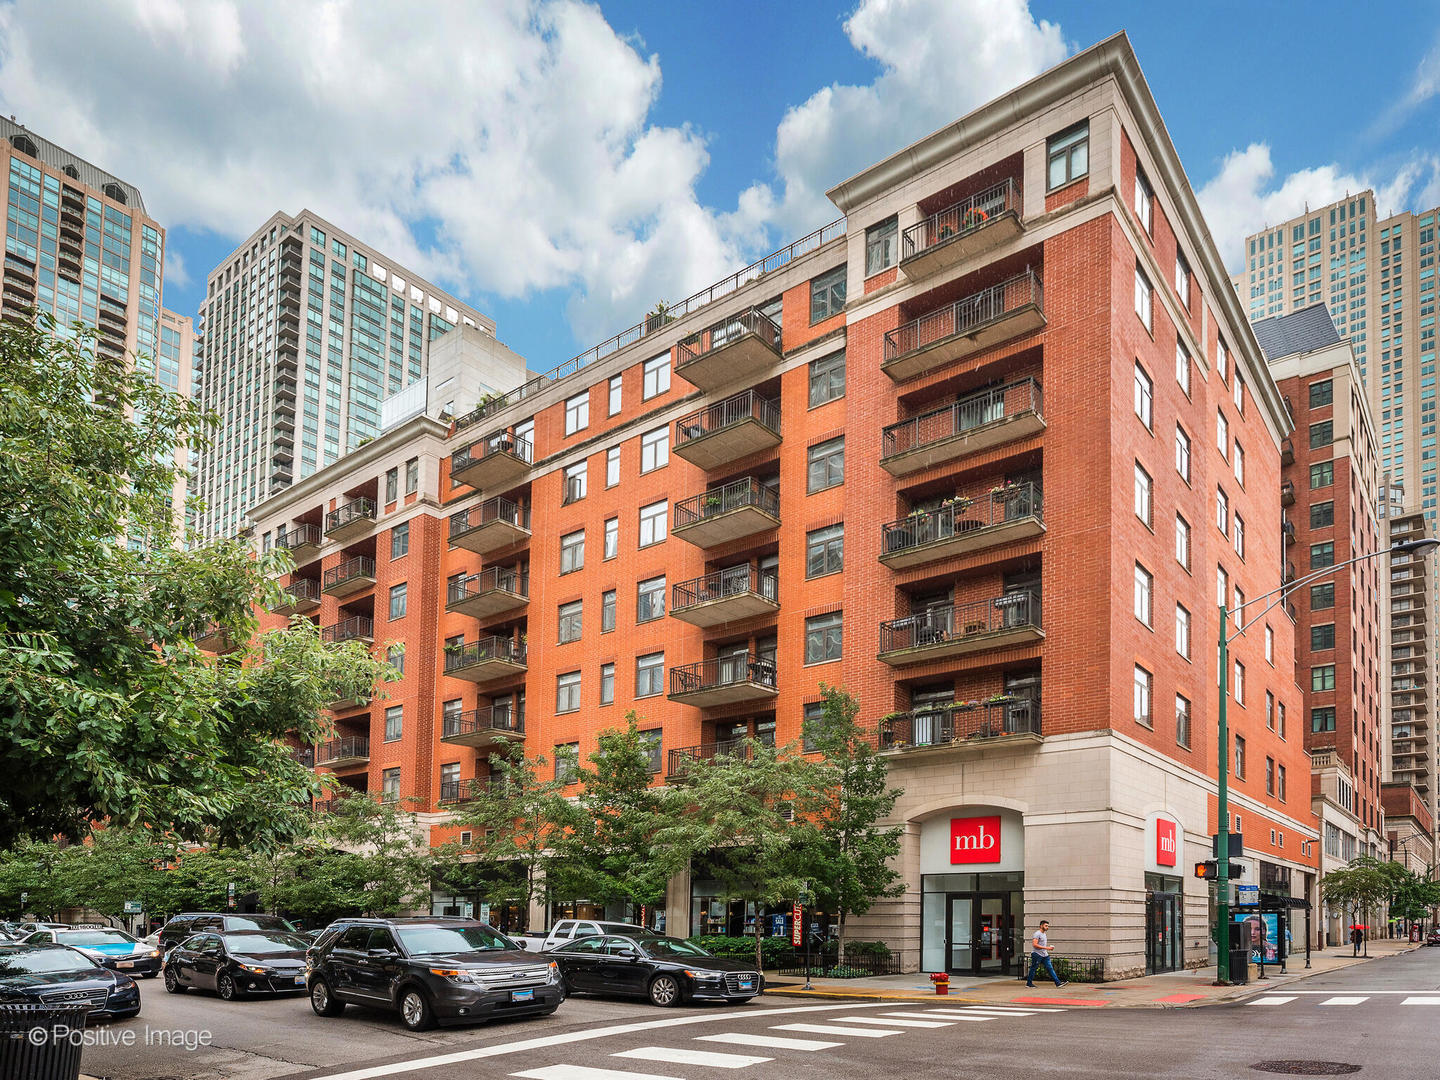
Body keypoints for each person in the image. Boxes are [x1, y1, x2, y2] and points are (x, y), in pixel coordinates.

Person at [1025, 919, 1067, 988]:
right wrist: (1047, 948)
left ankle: (1058, 983)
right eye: (1046, 926)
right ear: (1041, 926)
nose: (1047, 927)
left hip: (1044, 955)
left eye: (1048, 926)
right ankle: (1029, 983)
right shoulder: (1037, 934)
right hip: (1037, 954)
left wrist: (1047, 949)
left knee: (1050, 968)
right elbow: (1034, 945)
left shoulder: (1044, 934)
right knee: (1033, 968)